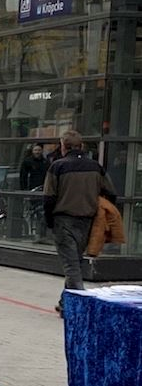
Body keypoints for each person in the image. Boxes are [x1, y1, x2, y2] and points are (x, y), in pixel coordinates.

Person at [44, 129, 116, 309]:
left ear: (63, 146)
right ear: (81, 146)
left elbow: (49, 198)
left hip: (64, 220)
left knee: (71, 265)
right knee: (75, 261)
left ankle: (81, 306)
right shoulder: (95, 167)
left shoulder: (57, 166)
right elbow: (111, 193)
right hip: (87, 221)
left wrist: (49, 221)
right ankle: (65, 302)